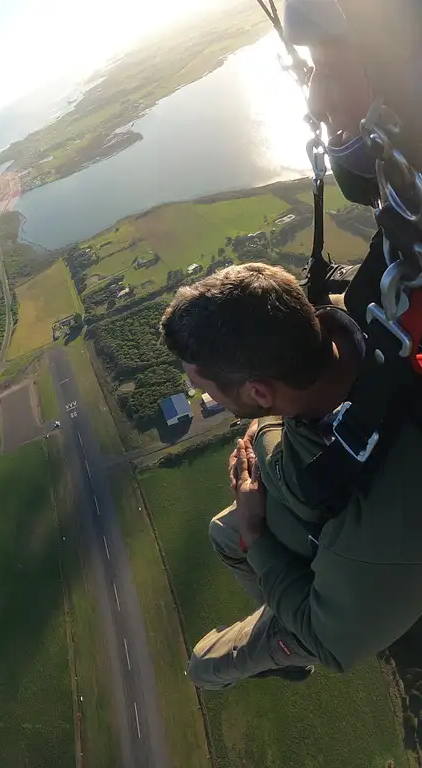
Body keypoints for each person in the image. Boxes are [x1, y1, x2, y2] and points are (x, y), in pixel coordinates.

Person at [160, 261, 422, 689]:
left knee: (204, 667)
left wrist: (255, 535)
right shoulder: (353, 324)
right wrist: (265, 422)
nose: (207, 398)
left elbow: (333, 643)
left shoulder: (381, 518)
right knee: (221, 534)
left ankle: (290, 636)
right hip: (316, 520)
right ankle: (284, 601)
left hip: (344, 589)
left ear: (260, 391)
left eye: (207, 389)